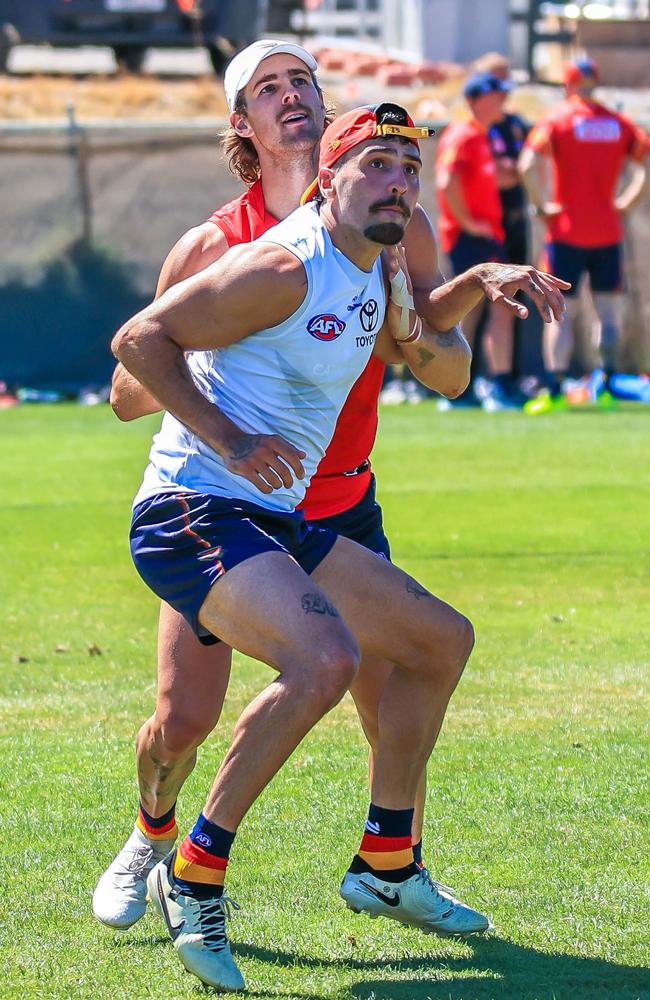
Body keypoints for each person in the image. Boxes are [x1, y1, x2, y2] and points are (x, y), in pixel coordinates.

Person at [95, 40, 569, 949]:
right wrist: (227, 365)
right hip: (218, 496)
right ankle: (160, 837)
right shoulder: (229, 249)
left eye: (301, 80)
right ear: (243, 125)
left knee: (402, 667)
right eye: (266, 89)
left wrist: (450, 299)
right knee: (186, 717)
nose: (290, 97)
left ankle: (392, 864)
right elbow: (130, 379)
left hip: (328, 499)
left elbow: (437, 361)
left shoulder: (383, 222)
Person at [518, 57, 649, 413]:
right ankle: (605, 384)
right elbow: (644, 165)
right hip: (607, 231)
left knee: (559, 313)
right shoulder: (617, 122)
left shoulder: (557, 120)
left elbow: (527, 165)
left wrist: (542, 205)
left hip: (566, 233)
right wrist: (626, 203)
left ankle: (556, 389)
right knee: (608, 312)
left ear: (568, 85)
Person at [436, 72, 527, 410]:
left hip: (487, 236)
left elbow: (480, 180)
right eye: (497, 95)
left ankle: (472, 386)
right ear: (477, 99)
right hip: (473, 238)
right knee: (482, 311)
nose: (504, 101)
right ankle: (481, 386)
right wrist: (468, 223)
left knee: (484, 311)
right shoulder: (465, 134)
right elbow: (447, 182)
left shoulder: (481, 135)